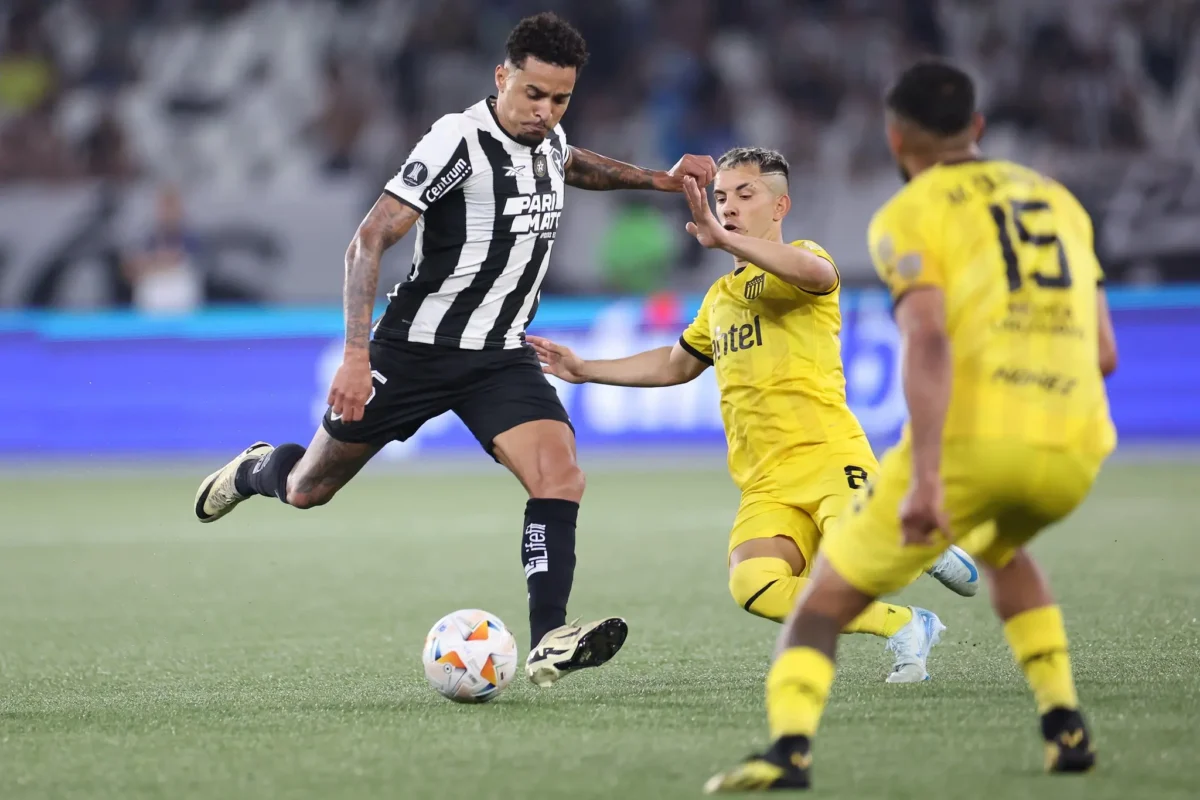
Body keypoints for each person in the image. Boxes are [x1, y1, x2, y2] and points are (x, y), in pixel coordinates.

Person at [193, 12, 718, 689]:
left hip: (499, 356)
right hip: (411, 351)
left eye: (560, 99)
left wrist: (660, 180)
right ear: (502, 76)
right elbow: (368, 239)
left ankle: (551, 635)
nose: (546, 111)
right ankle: (256, 468)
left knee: (559, 477)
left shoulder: (549, 138)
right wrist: (356, 355)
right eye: (533, 94)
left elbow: (571, 162)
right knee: (307, 490)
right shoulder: (456, 142)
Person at [704, 61, 1119, 793]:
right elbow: (1105, 351)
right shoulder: (1056, 200)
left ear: (897, 139)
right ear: (978, 127)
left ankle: (789, 753)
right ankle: (1064, 724)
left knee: (824, 605)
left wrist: (927, 476)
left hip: (978, 437)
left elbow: (924, 339)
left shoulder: (908, 214)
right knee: (1009, 553)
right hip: (1078, 438)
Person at [530, 146, 979, 686]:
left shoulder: (801, 263)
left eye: (745, 195)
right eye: (721, 198)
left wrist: (725, 241)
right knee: (756, 585)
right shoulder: (720, 299)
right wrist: (584, 368)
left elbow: (815, 274)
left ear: (780, 205)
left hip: (827, 455)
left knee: (856, 558)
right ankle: (906, 625)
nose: (730, 207)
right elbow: (676, 364)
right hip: (765, 481)